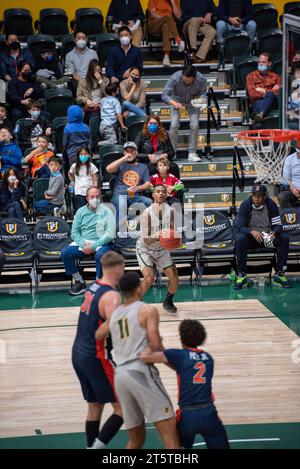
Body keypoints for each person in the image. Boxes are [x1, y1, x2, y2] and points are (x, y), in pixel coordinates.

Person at [95, 271, 179, 449]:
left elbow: (98, 334)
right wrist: (174, 364)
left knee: (136, 439)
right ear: (139, 289)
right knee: (170, 435)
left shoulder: (116, 313)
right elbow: (155, 345)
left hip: (120, 376)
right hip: (140, 371)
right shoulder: (147, 309)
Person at [141, 319, 230, 449]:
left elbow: (145, 357)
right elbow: (181, 368)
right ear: (201, 337)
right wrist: (161, 347)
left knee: (177, 448)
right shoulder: (208, 358)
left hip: (188, 415)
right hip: (209, 412)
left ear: (182, 337)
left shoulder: (178, 355)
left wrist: (153, 344)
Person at [72, 251, 125, 449]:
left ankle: (89, 447)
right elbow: (110, 330)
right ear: (119, 268)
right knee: (123, 409)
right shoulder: (112, 296)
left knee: (95, 406)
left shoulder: (92, 287)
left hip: (78, 353)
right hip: (97, 356)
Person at [60, 186, 115, 295]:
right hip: (84, 243)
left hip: (102, 243)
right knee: (65, 253)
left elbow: (110, 234)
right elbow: (74, 232)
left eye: (97, 196)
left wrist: (93, 246)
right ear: (87, 198)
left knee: (100, 255)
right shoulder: (80, 212)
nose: (95, 199)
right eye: (92, 196)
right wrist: (83, 244)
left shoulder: (107, 211)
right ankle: (79, 281)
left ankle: (99, 284)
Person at [234, 184, 290, 290]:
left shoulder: (271, 205)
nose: (256, 198)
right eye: (254, 195)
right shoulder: (245, 205)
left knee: (284, 238)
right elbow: (240, 227)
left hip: (267, 238)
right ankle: (241, 275)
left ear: (265, 197)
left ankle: (280, 274)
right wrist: (251, 231)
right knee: (240, 239)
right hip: (251, 239)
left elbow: (278, 225)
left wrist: (275, 232)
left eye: (259, 196)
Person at [136, 184, 179, 312]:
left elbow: (172, 232)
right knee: (149, 278)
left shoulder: (171, 211)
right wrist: (160, 235)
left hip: (161, 249)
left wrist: (172, 240)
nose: (161, 194)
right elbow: (147, 240)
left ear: (167, 194)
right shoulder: (146, 214)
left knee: (174, 278)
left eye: (163, 192)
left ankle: (168, 301)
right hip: (145, 249)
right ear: (153, 195)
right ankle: (135, 303)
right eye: (158, 192)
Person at [162, 66, 207, 161]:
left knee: (195, 125)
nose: (185, 81)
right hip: (176, 99)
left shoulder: (201, 79)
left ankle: (192, 152)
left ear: (194, 78)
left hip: (193, 100)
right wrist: (174, 103)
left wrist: (201, 100)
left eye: (188, 80)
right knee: (174, 124)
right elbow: (164, 94)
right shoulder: (175, 77)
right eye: (184, 79)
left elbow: (204, 93)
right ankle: (172, 152)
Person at [106, 141, 152, 225]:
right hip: (120, 195)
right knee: (122, 203)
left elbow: (148, 184)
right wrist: (124, 158)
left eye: (132, 151)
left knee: (149, 202)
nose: (129, 154)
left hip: (135, 195)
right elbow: (109, 169)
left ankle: (146, 229)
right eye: (127, 151)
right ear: (124, 153)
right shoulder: (120, 164)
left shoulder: (143, 167)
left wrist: (137, 188)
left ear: (136, 152)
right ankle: (119, 231)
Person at [147, 0, 185, 67]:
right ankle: (178, 41)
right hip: (154, 24)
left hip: (168, 25)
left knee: (165, 26)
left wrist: (172, 2)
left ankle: (166, 56)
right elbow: (153, 14)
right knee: (167, 17)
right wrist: (166, 18)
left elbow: (178, 16)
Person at [246, 52, 281, 123]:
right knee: (270, 95)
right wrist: (268, 92)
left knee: (271, 95)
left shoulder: (276, 77)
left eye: (264, 62)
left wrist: (263, 91)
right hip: (256, 103)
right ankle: (261, 114)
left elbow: (277, 93)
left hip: (273, 104)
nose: (260, 63)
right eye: (259, 61)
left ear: (269, 63)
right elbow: (252, 93)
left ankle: (260, 114)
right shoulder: (251, 76)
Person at [68, 147, 99, 213]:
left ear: (88, 155)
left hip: (90, 192)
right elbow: (70, 173)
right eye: (81, 154)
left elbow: (95, 179)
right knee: (81, 210)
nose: (83, 156)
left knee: (91, 210)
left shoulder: (91, 166)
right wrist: (73, 181)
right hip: (79, 191)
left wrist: (94, 189)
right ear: (78, 156)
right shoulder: (74, 166)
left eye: (85, 154)